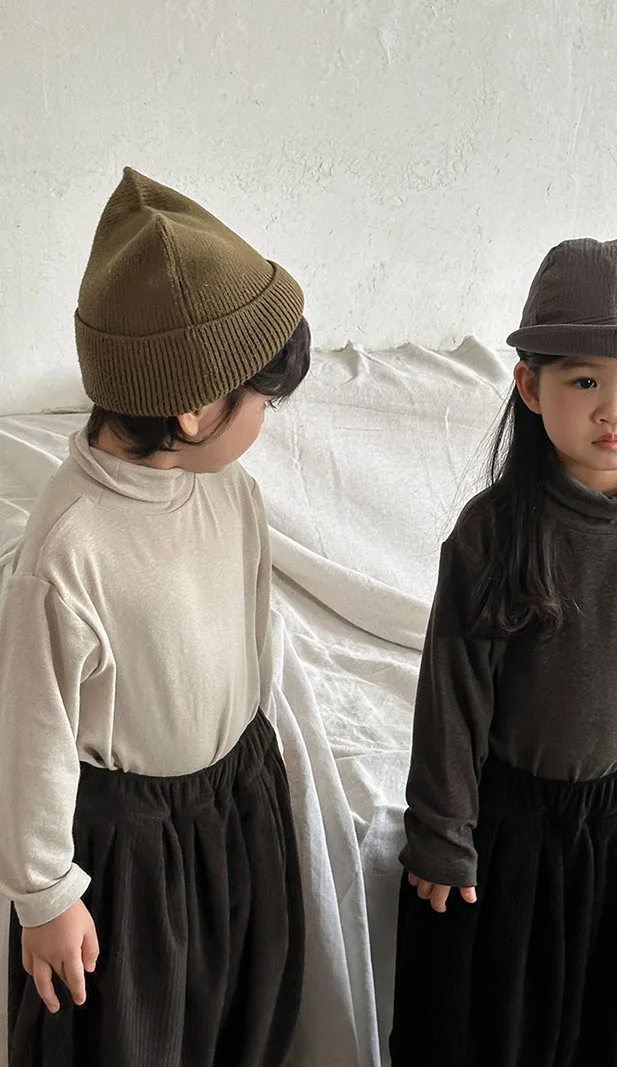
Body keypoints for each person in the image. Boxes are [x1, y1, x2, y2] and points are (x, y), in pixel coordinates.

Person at [391, 237, 617, 1067]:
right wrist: (442, 831)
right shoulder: (491, 535)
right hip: (509, 825)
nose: (613, 408)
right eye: (584, 380)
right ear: (529, 386)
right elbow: (453, 696)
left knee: (610, 1030)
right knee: (484, 1029)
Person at [0, 168, 309, 1067]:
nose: (266, 420)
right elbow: (31, 733)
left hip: (234, 804)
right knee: (127, 1036)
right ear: (197, 406)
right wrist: (44, 892)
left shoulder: (230, 490)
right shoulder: (69, 550)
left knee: (241, 1011)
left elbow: (250, 632)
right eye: (262, 400)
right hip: (126, 844)